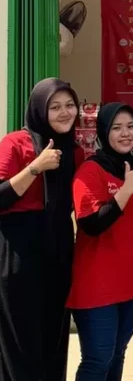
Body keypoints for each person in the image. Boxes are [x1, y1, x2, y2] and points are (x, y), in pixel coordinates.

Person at [0, 78, 84, 381]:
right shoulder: (15, 142)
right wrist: (36, 167)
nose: (65, 112)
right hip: (20, 250)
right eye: (55, 106)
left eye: (70, 105)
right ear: (39, 109)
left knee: (53, 338)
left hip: (58, 248)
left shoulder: (74, 152)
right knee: (22, 341)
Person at [68, 103, 133, 381]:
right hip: (97, 283)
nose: (125, 133)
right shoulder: (90, 170)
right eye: (117, 128)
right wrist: (125, 191)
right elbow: (91, 224)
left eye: (130, 126)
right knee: (98, 359)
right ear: (104, 132)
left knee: (118, 354)